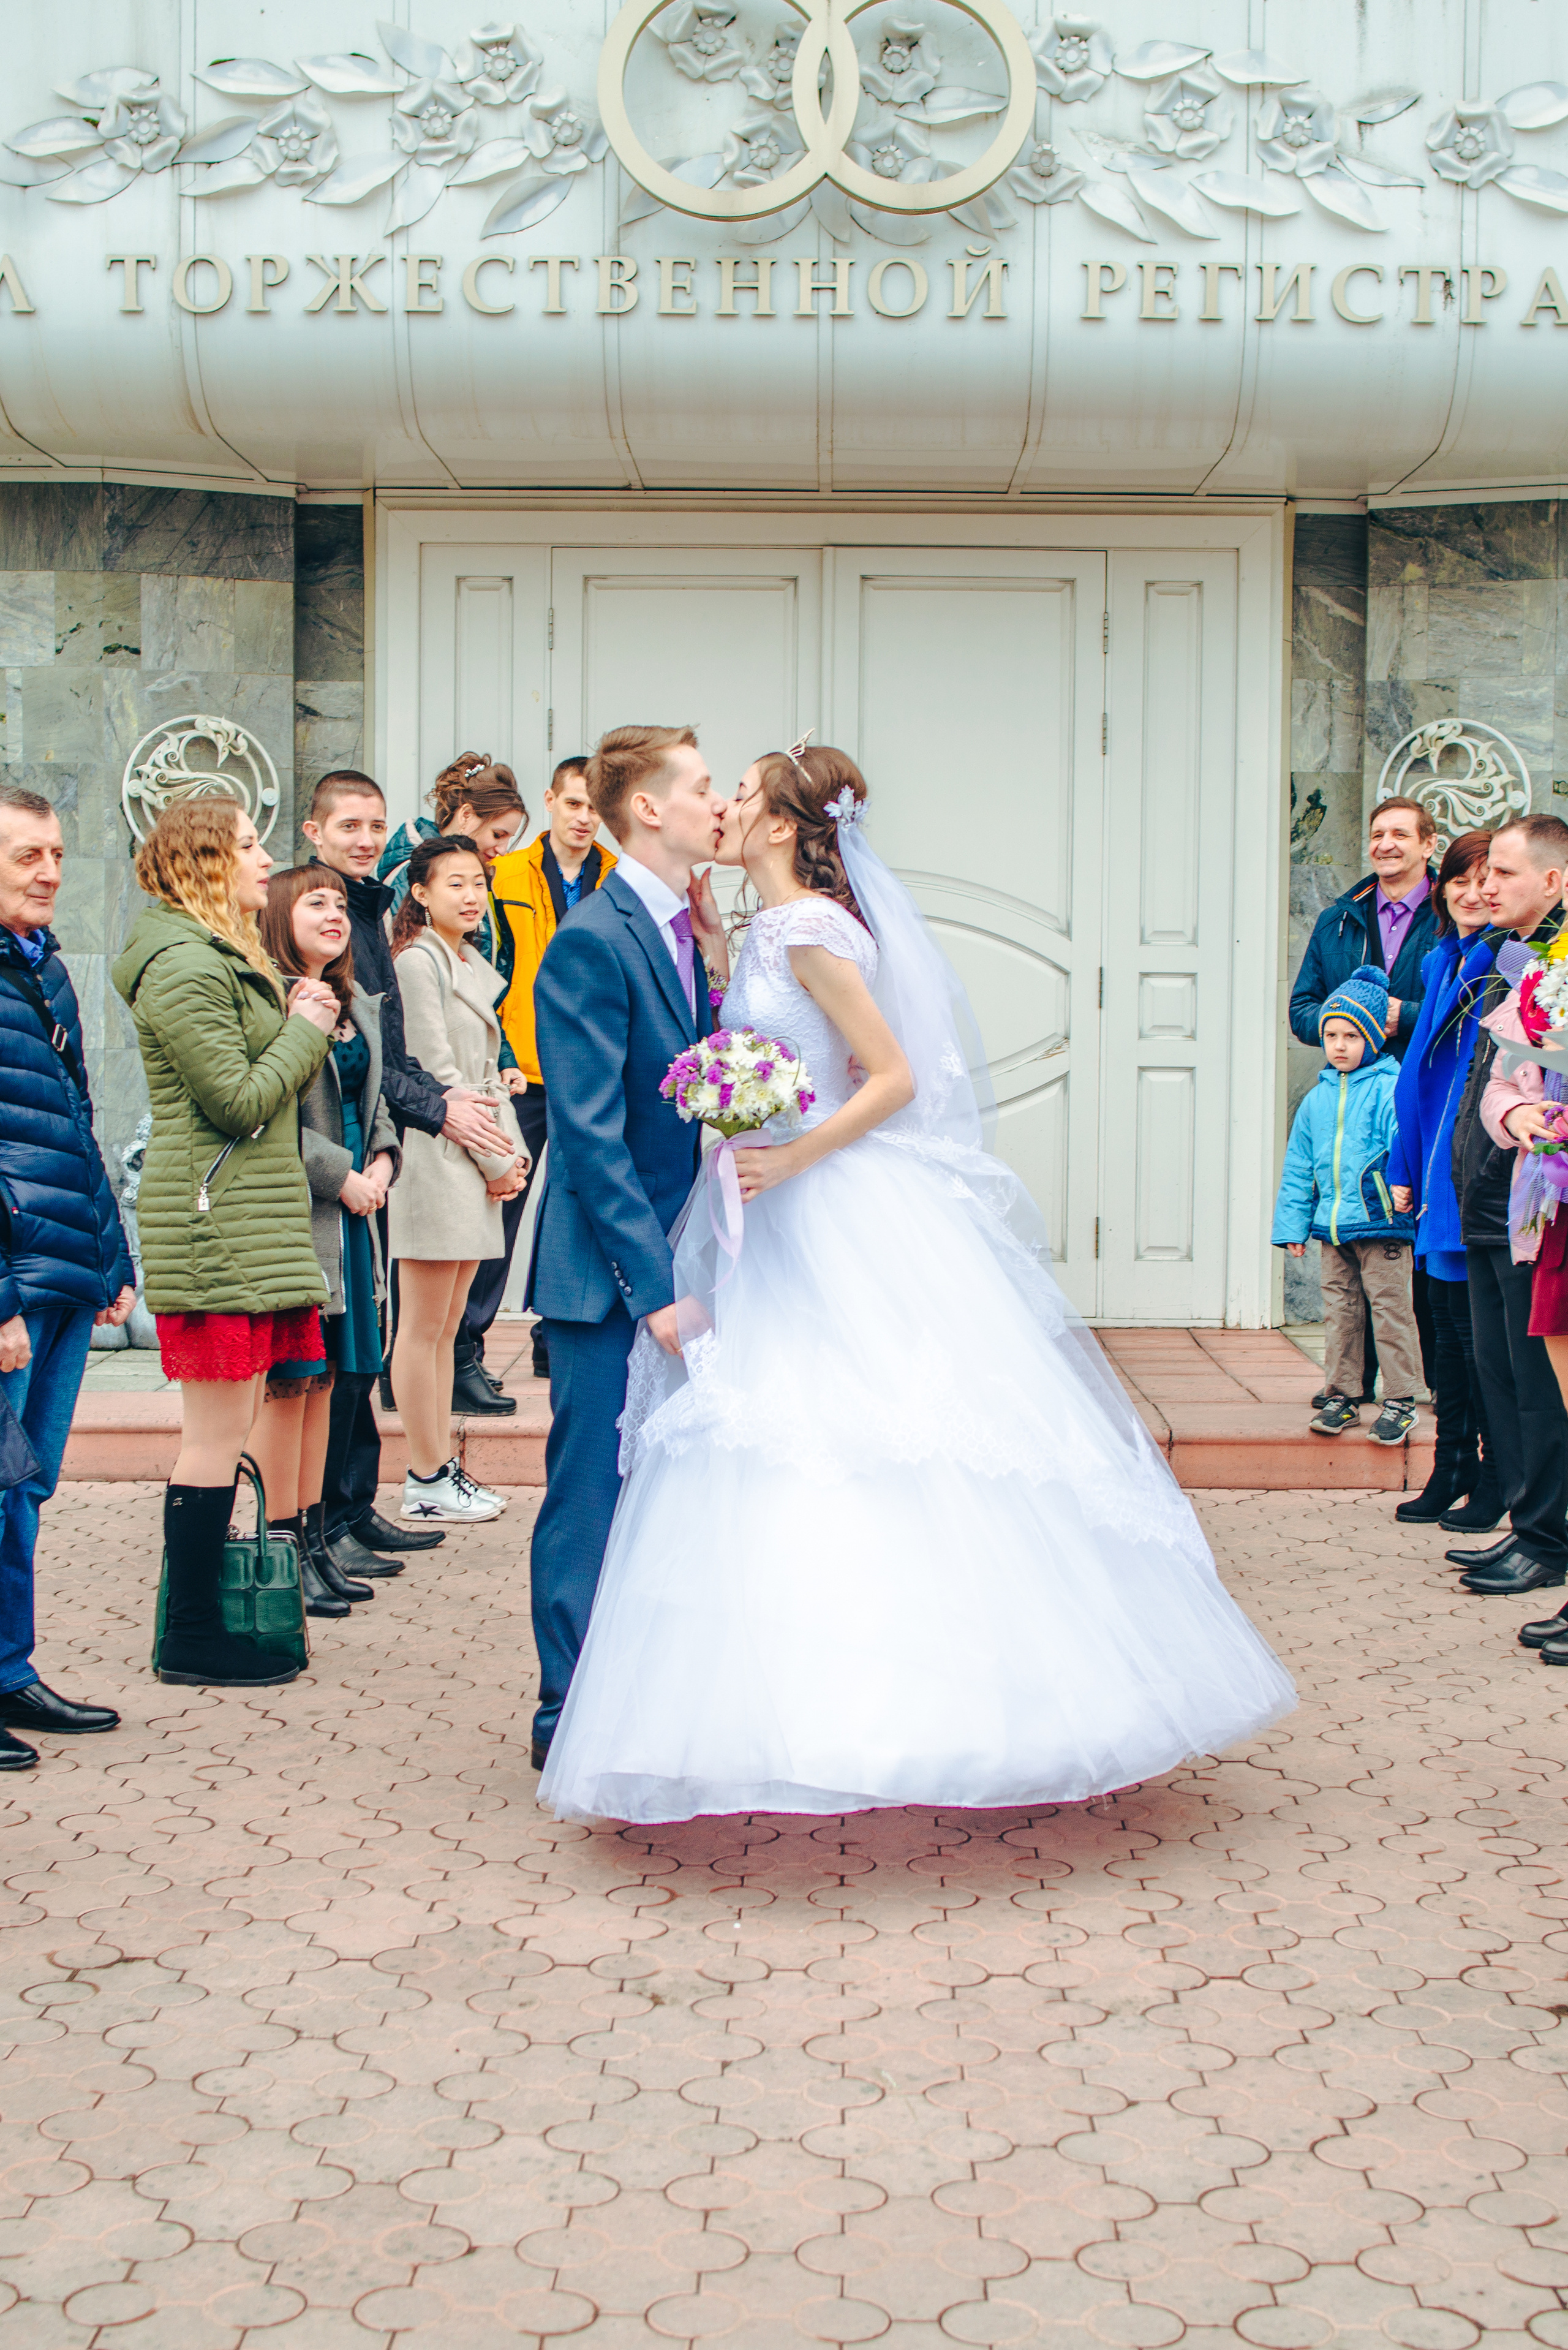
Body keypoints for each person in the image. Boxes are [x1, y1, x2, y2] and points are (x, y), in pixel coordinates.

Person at [537, 743, 1295, 1824]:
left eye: (740, 792)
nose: (726, 806)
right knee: (758, 1443)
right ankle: (703, 1703)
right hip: (756, 1222)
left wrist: (792, 1153)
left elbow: (892, 1076)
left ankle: (897, 1704)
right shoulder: (734, 929)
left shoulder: (804, 929)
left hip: (821, 1206)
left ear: (792, 824)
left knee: (870, 1438)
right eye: (716, 789)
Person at [525, 725, 720, 1772]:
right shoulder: (593, 939)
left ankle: (647, 1695)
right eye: (700, 786)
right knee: (590, 1491)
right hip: (612, 1277)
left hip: (691, 1260)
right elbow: (590, 1136)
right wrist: (652, 1287)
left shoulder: (689, 930)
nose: (717, 802)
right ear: (646, 807)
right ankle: (566, 1711)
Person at [112, 799, 339, 1688]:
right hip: (215, 1225)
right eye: (249, 845)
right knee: (214, 1437)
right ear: (206, 863)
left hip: (240, 1221)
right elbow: (238, 1101)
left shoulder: (212, 958)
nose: (265, 859)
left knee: (231, 1424)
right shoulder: (180, 965)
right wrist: (305, 1030)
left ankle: (198, 1626)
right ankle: (194, 1634)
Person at [303, 769, 512, 1562]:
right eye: (348, 825)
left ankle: (352, 1510)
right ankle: (344, 1512)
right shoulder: (351, 924)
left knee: (367, 1346)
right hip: (373, 1154)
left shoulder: (371, 915)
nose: (363, 839)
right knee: (369, 1345)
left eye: (374, 825)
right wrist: (446, 1117)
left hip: (391, 1148)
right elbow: (402, 1060)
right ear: (316, 834)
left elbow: (399, 1055)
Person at [0, 782, 136, 1770]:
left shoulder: (46, 973)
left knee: (27, 1486)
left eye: (54, 854)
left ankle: (11, 1670)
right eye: (26, 857)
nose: (48, 871)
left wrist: (111, 1259)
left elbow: (79, 1124)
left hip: (63, 1268)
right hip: (13, 1285)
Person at [253, 866, 401, 1613]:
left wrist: (381, 1159)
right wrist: (342, 1175)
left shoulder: (352, 1004)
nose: (336, 914)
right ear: (281, 912)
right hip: (310, 1210)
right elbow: (272, 1122)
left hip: (358, 1210)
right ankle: (287, 1546)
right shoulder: (274, 1004)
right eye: (317, 902)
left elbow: (375, 1099)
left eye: (342, 903)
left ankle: (316, 1537)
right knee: (298, 1384)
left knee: (339, 1382)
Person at [380, 754, 530, 1417]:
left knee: (443, 1330)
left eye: (481, 881)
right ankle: (428, 1471)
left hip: (469, 1155)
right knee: (426, 1329)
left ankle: (438, 1465)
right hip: (443, 1158)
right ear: (420, 891)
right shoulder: (419, 961)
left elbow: (478, 1067)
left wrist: (508, 1154)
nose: (475, 893)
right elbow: (442, 1078)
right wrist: (504, 1159)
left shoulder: (463, 958)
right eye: (458, 882)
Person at [1447, 813, 1568, 1600]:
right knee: (1514, 1374)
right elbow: (1498, 1080)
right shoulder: (1531, 969)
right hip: (1521, 1195)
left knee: (1543, 1381)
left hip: (1540, 1201)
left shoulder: (1545, 962)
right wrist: (1518, 1116)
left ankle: (1546, 1536)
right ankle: (1536, 1531)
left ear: (1553, 881)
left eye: (1506, 873)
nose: (1488, 886)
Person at [489, 757, 619, 1384]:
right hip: (520, 1066)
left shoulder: (620, 878)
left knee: (574, 1203)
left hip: (591, 1067)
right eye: (574, 804)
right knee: (502, 1199)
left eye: (595, 806)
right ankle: (465, 1341)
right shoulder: (502, 873)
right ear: (550, 801)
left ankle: (553, 1333)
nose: (584, 818)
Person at [1387, 831, 1501, 1525]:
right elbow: (1417, 1080)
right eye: (1458, 878)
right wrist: (1404, 1165)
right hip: (1430, 1173)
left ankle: (1493, 1471)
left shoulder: (1500, 962)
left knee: (1472, 1336)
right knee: (1442, 1333)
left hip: (1466, 1175)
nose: (1469, 891)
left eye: (1485, 879)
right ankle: (1450, 1460)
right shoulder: (1441, 959)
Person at [1272, 967, 1421, 1444]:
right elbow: (1299, 1168)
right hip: (1333, 1229)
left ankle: (1400, 1397)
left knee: (1391, 1310)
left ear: (1375, 1037)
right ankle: (1342, 1394)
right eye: (1331, 1034)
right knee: (1340, 1312)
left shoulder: (1390, 1088)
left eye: (1352, 1035)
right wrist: (1292, 1225)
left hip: (1381, 1226)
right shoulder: (1316, 1100)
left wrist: (1403, 1186)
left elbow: (1405, 1144)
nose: (1339, 1045)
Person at [1290, 797, 1441, 1058]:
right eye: (1377, 835)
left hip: (1425, 1084)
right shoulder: (1335, 920)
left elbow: (1475, 1010)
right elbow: (1301, 1011)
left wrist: (1407, 1016)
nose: (1385, 845)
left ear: (1428, 845)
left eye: (1400, 835)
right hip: (1356, 1091)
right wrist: (1348, 1019)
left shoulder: (1455, 918)